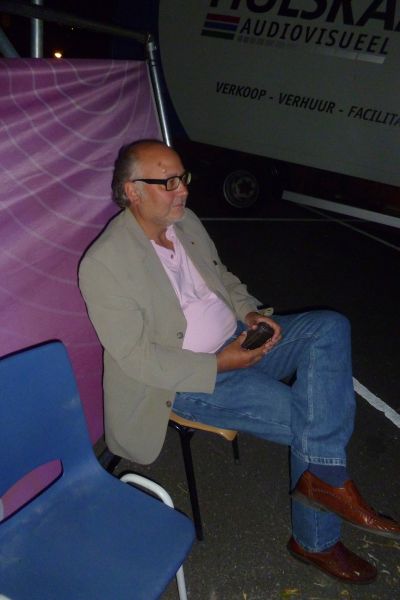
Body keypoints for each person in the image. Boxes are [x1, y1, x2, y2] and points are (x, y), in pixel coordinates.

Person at [79, 139, 400, 584]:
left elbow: (222, 277)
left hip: (239, 338)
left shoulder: (184, 221)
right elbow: (137, 359)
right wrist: (218, 364)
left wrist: (249, 313)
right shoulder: (105, 263)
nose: (183, 190)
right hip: (190, 379)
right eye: (168, 182)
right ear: (132, 191)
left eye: (183, 178)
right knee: (315, 419)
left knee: (329, 327)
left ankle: (323, 484)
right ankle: (316, 540)